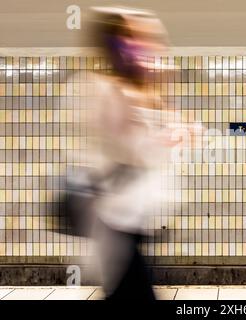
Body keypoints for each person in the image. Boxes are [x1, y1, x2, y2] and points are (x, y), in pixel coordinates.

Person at [83, 6, 179, 300]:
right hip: (118, 219)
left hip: (132, 219)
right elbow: (131, 152)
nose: (149, 46)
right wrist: (164, 137)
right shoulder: (108, 91)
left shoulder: (134, 91)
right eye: (134, 38)